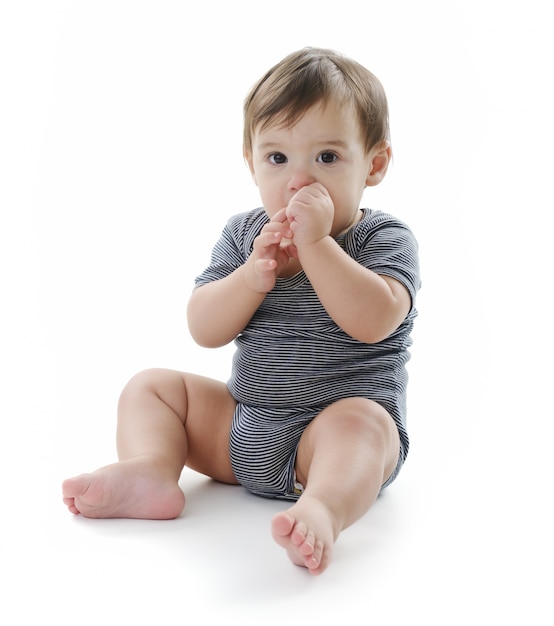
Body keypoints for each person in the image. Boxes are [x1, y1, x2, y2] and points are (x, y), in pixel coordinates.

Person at [62, 47, 420, 575]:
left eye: (326, 157)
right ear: (251, 163)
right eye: (278, 159)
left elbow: (374, 319)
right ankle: (151, 471)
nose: (299, 182)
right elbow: (203, 327)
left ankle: (323, 509)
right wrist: (250, 278)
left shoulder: (383, 238)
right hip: (240, 430)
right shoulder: (245, 234)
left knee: (366, 424)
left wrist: (319, 246)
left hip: (326, 447)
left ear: (375, 163)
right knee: (152, 387)